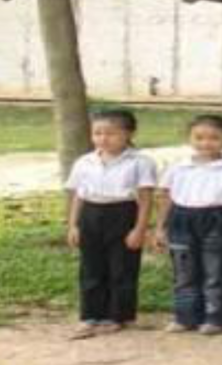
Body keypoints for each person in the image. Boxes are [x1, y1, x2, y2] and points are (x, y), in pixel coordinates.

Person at [65, 109, 156, 340]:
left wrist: (139, 229)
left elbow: (145, 198)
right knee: (91, 268)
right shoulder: (85, 161)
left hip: (123, 212)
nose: (103, 138)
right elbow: (78, 195)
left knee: (122, 268)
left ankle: (117, 316)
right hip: (91, 214)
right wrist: (73, 225)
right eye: (97, 133)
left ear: (129, 133)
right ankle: (90, 315)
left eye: (111, 133)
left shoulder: (140, 162)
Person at [155, 114, 222, 335]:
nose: (206, 143)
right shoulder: (177, 167)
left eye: (214, 138)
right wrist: (160, 227)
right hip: (181, 219)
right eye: (199, 137)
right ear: (189, 139)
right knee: (184, 272)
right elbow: (165, 197)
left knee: (216, 271)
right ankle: (184, 317)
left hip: (216, 219)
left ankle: (215, 318)